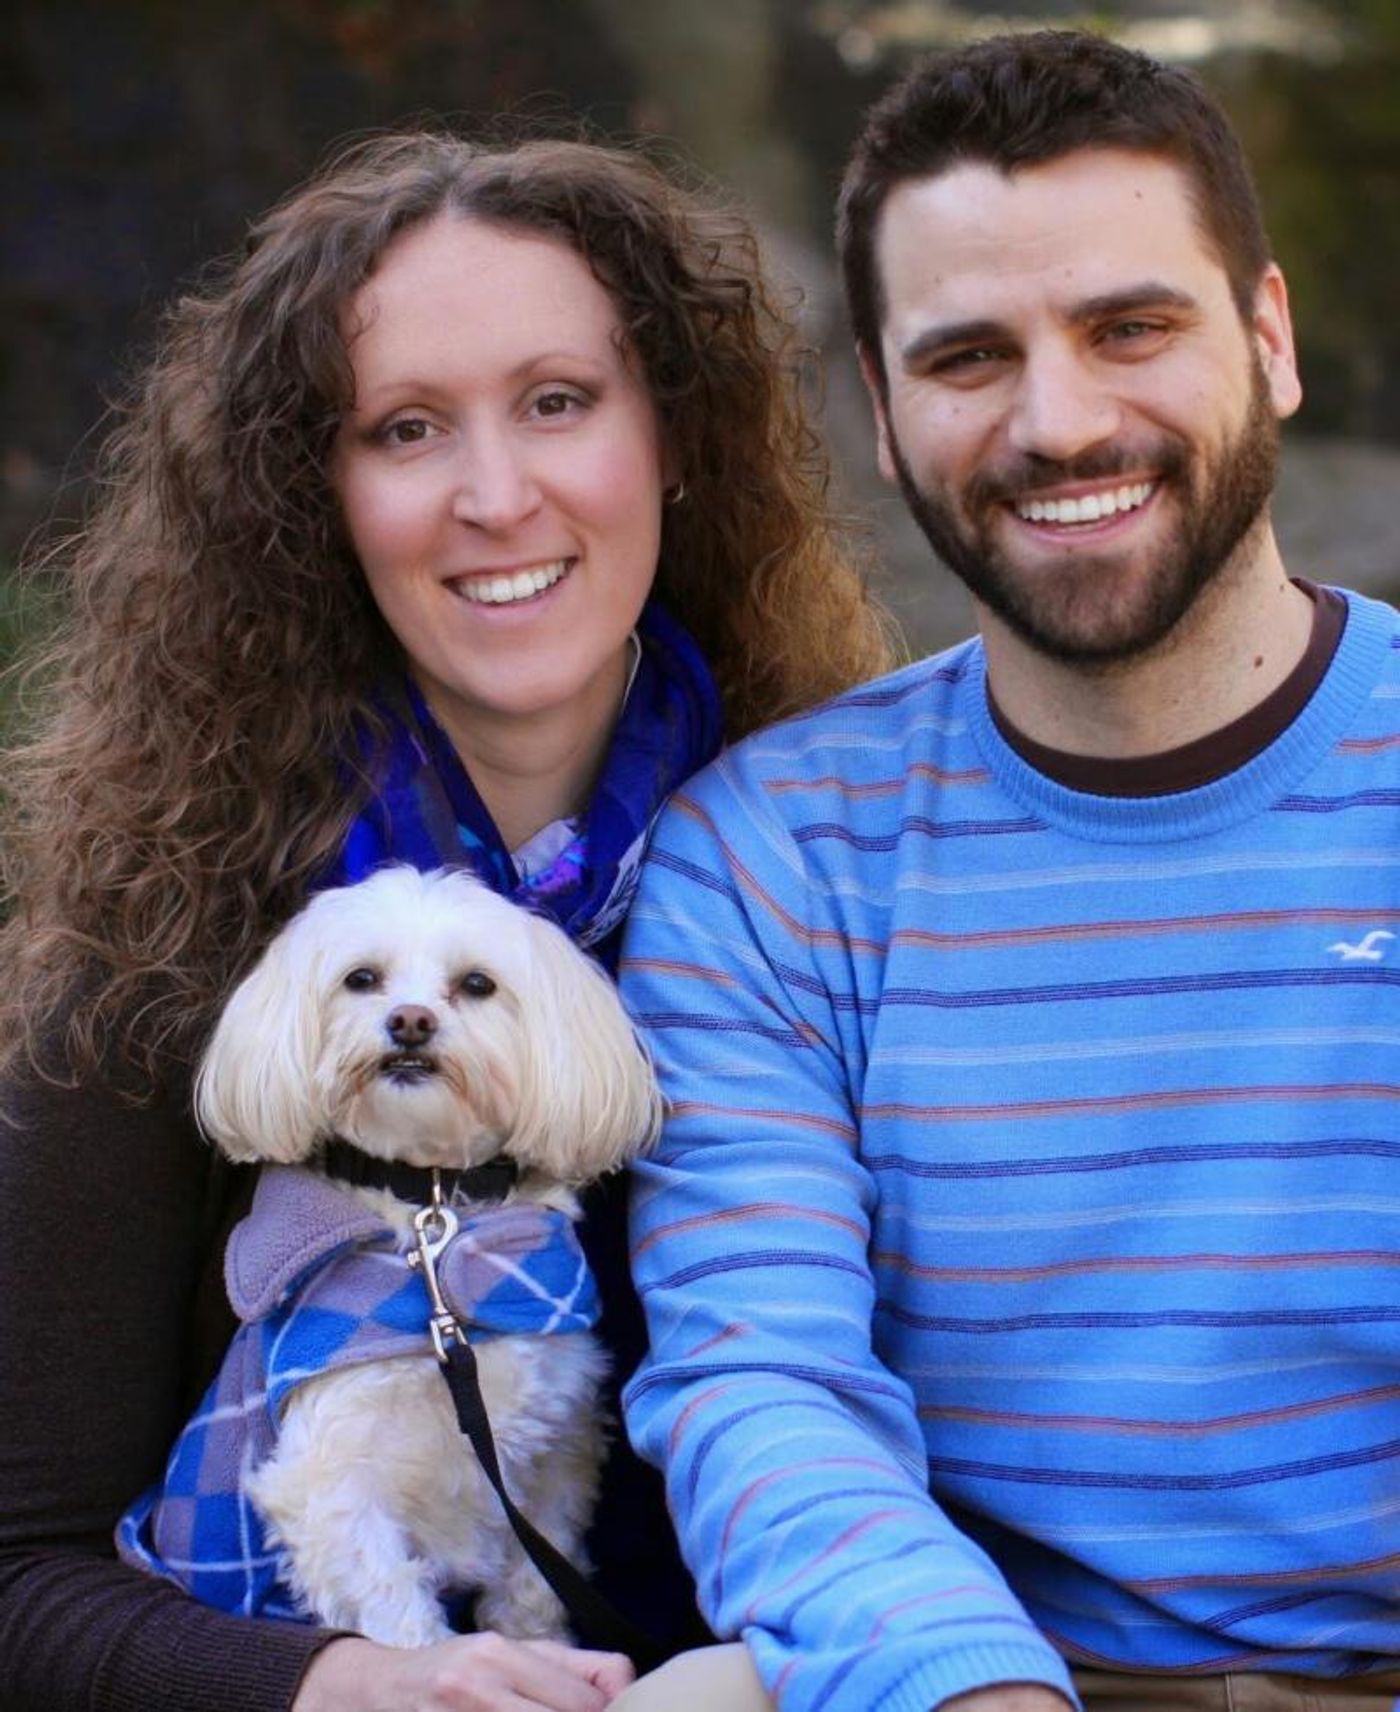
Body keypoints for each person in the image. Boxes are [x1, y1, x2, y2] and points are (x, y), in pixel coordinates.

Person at [0, 130, 894, 1712]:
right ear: (316, 493)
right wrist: (341, 1681)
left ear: (671, 436)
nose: (496, 495)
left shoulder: (830, 872)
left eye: (559, 401)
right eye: (407, 429)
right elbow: (22, 1573)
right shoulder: (167, 921)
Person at [620, 29, 1400, 1712]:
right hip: (996, 1681)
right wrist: (971, 1689)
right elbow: (769, 1389)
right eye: (969, 356)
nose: (1060, 422)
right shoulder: (773, 862)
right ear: (884, 418)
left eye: (1133, 328)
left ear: (1268, 339)